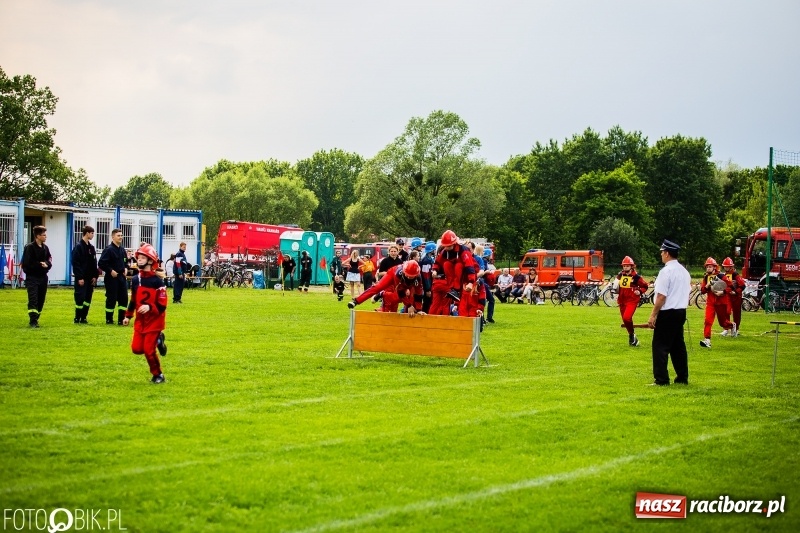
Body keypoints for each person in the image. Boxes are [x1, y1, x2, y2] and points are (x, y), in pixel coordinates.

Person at [647, 239, 691, 386]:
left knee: (660, 346)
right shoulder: (684, 271)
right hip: (680, 311)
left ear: (666, 253)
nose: (661, 255)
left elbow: (661, 296)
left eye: (662, 252)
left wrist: (653, 314)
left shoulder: (666, 272)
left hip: (667, 312)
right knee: (678, 346)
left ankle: (661, 379)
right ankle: (682, 377)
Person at [122, 243, 168, 384]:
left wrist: (150, 307)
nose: (139, 260)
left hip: (154, 321)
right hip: (140, 322)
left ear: (150, 260)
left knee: (149, 351)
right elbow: (133, 300)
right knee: (136, 349)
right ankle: (159, 340)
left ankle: (158, 374)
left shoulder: (157, 281)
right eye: (138, 257)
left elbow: (162, 305)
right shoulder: (136, 280)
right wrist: (128, 316)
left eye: (142, 257)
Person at [348, 260, 423, 315]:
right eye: (407, 275)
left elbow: (419, 293)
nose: (409, 277)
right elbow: (400, 291)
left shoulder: (418, 278)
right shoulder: (398, 273)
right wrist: (409, 305)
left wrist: (419, 309)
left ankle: (383, 294)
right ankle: (356, 301)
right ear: (404, 271)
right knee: (377, 287)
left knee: (401, 298)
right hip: (392, 275)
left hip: (404, 284)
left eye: (411, 276)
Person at [429, 230, 476, 314]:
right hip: (455, 277)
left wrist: (471, 282)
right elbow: (438, 262)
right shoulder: (445, 251)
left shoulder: (463, 250)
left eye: (449, 246)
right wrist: (435, 270)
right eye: (445, 246)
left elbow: (469, 266)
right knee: (446, 264)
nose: (446, 248)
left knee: (458, 265)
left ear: (454, 244)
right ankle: (453, 289)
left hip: (466, 275)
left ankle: (456, 290)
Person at [699, 257, 735, 348]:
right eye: (707, 267)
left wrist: (722, 292)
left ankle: (732, 325)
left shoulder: (721, 276)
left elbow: (731, 286)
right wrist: (707, 285)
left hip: (721, 303)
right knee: (707, 321)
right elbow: (702, 291)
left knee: (723, 323)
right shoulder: (706, 277)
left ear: (715, 267)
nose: (708, 269)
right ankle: (707, 340)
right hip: (710, 303)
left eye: (710, 267)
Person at [21, 225, 52, 328]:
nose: (45, 237)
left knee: (41, 299)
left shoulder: (45, 248)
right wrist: (40, 264)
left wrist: (46, 264)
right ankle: (33, 320)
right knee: (33, 299)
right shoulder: (29, 248)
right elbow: (27, 263)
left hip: (43, 277)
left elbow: (49, 260)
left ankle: (37, 317)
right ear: (38, 236)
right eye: (44, 235)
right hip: (32, 278)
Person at [616, 256, 650, 347]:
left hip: (632, 300)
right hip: (622, 300)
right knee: (625, 319)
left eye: (627, 266)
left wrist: (639, 291)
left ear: (632, 266)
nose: (625, 268)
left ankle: (632, 335)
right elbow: (616, 285)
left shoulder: (636, 277)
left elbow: (645, 286)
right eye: (624, 266)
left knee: (627, 318)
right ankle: (632, 336)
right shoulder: (620, 275)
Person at [98, 228, 129, 325]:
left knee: (123, 298)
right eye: (118, 235)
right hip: (112, 278)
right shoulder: (109, 250)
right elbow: (101, 263)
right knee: (111, 298)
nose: (121, 237)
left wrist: (126, 268)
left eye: (121, 235)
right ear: (113, 237)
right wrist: (110, 270)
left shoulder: (122, 250)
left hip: (121, 278)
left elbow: (126, 262)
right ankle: (109, 319)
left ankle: (121, 319)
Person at [71, 225, 98, 324]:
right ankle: (77, 317)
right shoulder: (78, 247)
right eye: (92, 233)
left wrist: (95, 276)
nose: (93, 235)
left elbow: (94, 263)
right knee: (80, 297)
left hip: (90, 278)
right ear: (87, 233)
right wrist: (79, 277)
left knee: (87, 298)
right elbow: (75, 263)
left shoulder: (91, 247)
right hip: (81, 278)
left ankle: (84, 317)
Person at [722, 257, 744, 336]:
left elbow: (742, 285)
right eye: (725, 266)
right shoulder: (724, 275)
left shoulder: (735, 275)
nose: (726, 268)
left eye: (727, 266)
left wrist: (735, 292)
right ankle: (726, 328)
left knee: (736, 313)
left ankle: (736, 329)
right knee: (726, 311)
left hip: (736, 297)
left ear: (731, 266)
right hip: (728, 296)